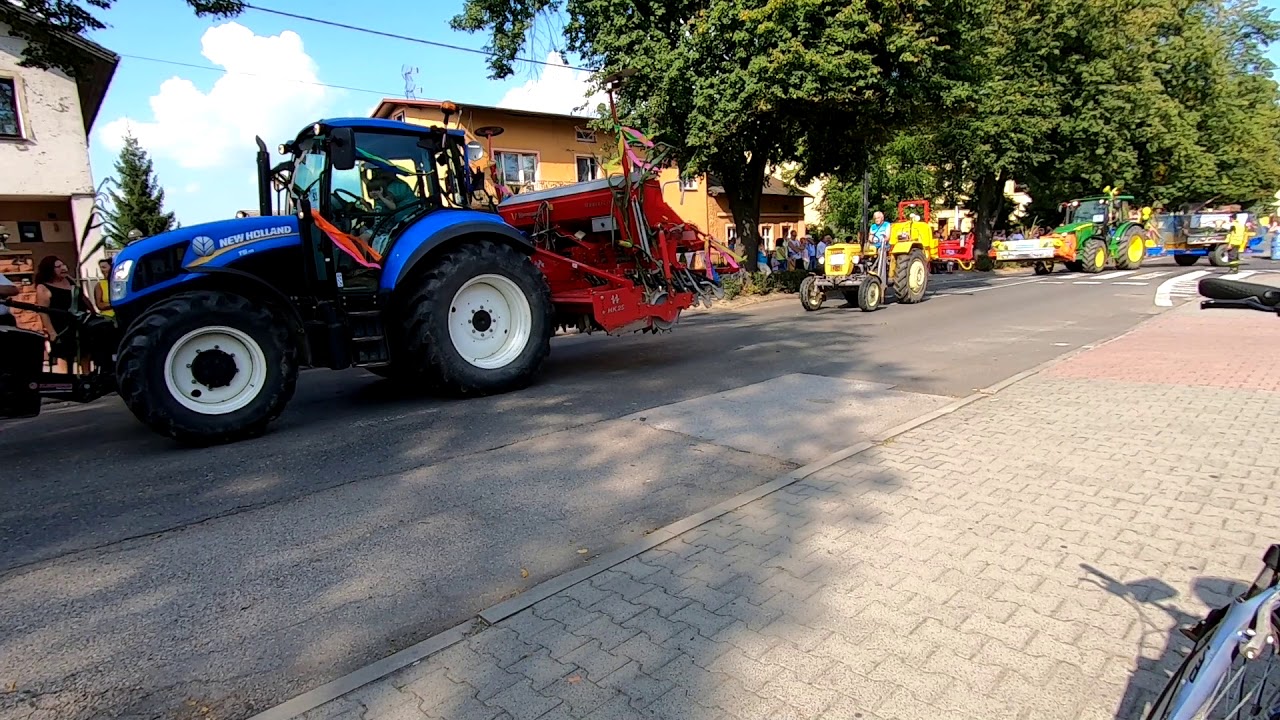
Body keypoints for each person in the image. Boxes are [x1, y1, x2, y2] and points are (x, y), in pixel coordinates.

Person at [35, 256, 90, 373]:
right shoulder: (43, 287)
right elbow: (43, 312)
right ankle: (66, 379)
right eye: (58, 266)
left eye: (63, 265)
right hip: (61, 326)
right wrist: (52, 332)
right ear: (50, 269)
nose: (63, 268)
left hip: (79, 322)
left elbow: (82, 297)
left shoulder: (69, 280)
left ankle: (87, 377)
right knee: (64, 355)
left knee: (84, 353)